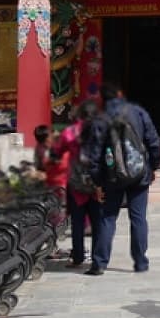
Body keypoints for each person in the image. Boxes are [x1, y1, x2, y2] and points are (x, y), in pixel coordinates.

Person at [95, 78, 160, 275]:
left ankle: (100, 263)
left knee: (108, 218)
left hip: (111, 176)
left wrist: (97, 181)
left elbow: (93, 154)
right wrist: (152, 167)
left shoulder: (100, 119)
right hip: (139, 173)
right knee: (138, 218)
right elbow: (153, 142)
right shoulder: (138, 112)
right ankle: (140, 262)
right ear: (120, 94)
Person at [55, 99, 102, 270]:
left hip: (76, 184)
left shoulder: (69, 132)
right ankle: (98, 259)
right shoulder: (101, 129)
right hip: (97, 183)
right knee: (98, 222)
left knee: (77, 222)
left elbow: (57, 151)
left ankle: (78, 257)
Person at [33, 123, 69, 236]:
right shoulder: (44, 151)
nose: (54, 135)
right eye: (51, 134)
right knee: (56, 210)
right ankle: (53, 232)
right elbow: (52, 166)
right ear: (46, 138)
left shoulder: (43, 149)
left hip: (53, 182)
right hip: (53, 183)